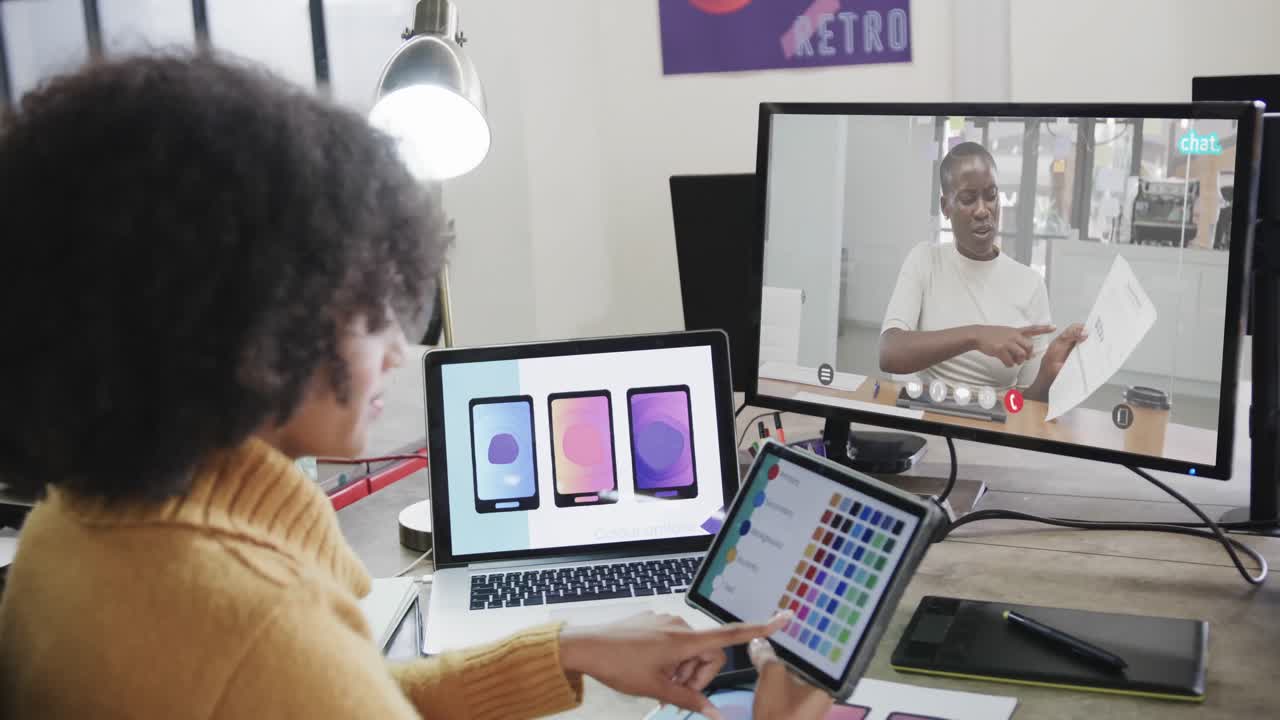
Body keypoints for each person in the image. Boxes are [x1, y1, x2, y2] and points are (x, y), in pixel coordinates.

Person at [0, 56, 833, 720]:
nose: (401, 349)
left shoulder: (68, 527)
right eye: (370, 306)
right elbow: (301, 682)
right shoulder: (255, 630)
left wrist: (568, 650)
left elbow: (348, 696)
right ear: (241, 316)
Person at [878, 141, 1087, 402]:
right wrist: (977, 335)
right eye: (967, 199)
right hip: (930, 419)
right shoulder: (926, 260)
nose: (982, 210)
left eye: (991, 196)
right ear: (945, 207)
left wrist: (1046, 375)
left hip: (992, 431)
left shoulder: (1030, 284)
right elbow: (889, 353)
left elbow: (1022, 406)